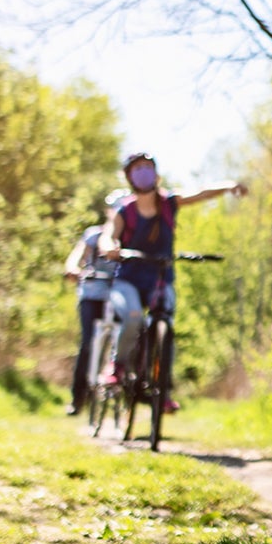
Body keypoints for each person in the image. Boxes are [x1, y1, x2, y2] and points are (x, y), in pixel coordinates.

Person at [99, 151, 246, 404]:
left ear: (156, 173)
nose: (144, 172)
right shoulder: (125, 211)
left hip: (160, 278)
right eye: (138, 169)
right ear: (129, 177)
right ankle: (117, 365)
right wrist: (109, 247)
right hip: (129, 280)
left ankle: (162, 390)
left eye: (148, 167)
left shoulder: (168, 203)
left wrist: (228, 186)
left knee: (165, 328)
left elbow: (201, 192)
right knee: (133, 318)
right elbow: (108, 235)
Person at [61, 190, 129, 415]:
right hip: (92, 293)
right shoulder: (94, 235)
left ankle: (124, 387)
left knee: (128, 336)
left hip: (117, 294)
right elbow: (76, 255)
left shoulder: (128, 240)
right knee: (89, 343)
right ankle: (77, 398)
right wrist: (72, 268)